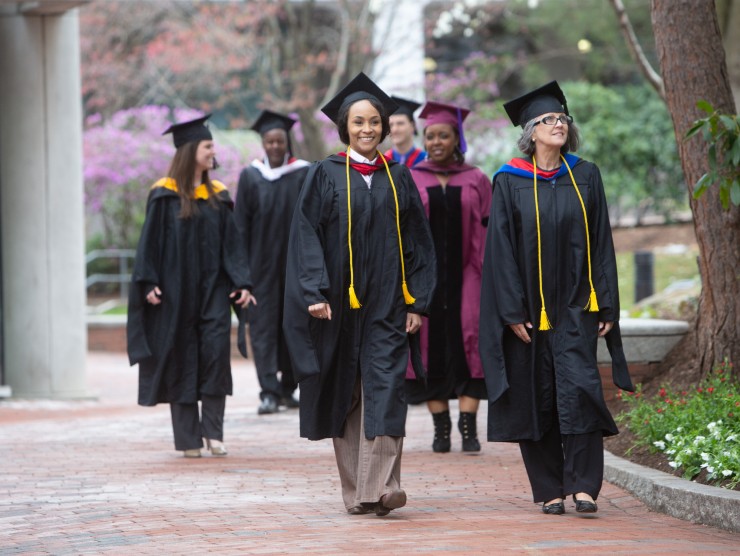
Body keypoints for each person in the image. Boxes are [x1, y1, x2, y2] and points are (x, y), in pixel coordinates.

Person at [283, 72, 436, 516]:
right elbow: (306, 235)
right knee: (347, 394)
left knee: (387, 388)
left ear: (385, 126)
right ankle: (357, 493)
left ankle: (383, 487)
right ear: (345, 128)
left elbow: (418, 242)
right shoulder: (324, 174)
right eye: (358, 123)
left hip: (388, 303)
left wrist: (417, 301)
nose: (367, 129)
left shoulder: (399, 176)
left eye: (374, 122)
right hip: (339, 307)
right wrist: (314, 290)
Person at [479, 81, 633, 515]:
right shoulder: (509, 182)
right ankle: (549, 487)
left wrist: (605, 302)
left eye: (562, 119)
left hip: (575, 306)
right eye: (548, 120)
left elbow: (601, 239)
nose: (558, 124)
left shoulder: (585, 175)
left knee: (582, 389)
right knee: (536, 396)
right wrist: (510, 310)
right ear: (530, 132)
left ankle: (584, 485)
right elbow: (501, 251)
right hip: (528, 311)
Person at [127, 114, 254, 458]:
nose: (214, 151)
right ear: (189, 151)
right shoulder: (164, 195)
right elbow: (148, 243)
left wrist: (242, 281)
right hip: (175, 292)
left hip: (213, 291)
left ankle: (213, 433)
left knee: (215, 356)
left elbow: (233, 243)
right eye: (208, 145)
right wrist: (149, 281)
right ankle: (188, 440)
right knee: (180, 356)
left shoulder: (218, 195)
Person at [405, 101, 492, 454]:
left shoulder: (477, 179)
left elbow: (489, 232)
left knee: (470, 341)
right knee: (430, 347)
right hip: (425, 281)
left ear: (457, 139)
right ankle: (441, 429)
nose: (436, 142)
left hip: (470, 276)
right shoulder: (412, 177)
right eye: (430, 136)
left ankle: (468, 428)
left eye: (443, 135)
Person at [234, 110, 311, 415]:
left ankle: (288, 388)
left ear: (287, 142)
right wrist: (242, 274)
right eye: (269, 141)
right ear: (263, 144)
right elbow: (240, 227)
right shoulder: (251, 177)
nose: (275, 146)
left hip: (295, 268)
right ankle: (268, 391)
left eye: (279, 140)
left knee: (294, 327)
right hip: (260, 270)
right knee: (263, 330)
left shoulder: (303, 173)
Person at [383, 96, 427, 168]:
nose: (394, 129)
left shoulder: (425, 160)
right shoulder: (383, 162)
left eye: (400, 123)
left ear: (412, 126)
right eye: (391, 124)